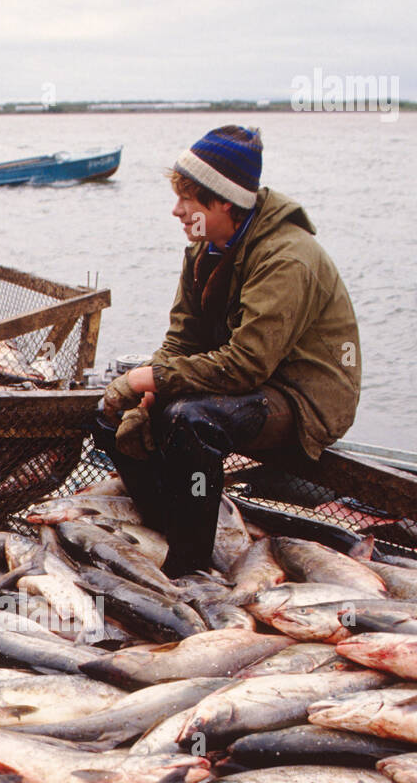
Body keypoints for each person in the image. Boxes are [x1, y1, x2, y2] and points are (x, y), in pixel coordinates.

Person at [98, 125, 361, 575]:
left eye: (189, 200)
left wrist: (151, 379)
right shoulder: (206, 249)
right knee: (113, 414)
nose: (177, 210)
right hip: (244, 380)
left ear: (224, 203)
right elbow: (182, 340)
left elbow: (246, 365)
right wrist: (146, 390)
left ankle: (191, 565)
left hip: (299, 396)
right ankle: (168, 524)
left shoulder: (287, 257)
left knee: (190, 421)